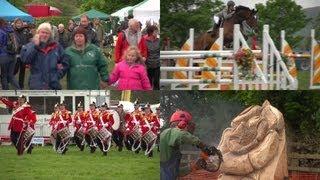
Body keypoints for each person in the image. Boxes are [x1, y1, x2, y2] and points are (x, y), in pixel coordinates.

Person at [160, 110, 222, 179]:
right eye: (188, 127)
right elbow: (182, 135)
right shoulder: (168, 133)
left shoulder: (171, 145)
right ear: (182, 124)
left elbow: (175, 172)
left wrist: (195, 166)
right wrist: (202, 145)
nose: (189, 131)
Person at [20, 22, 69, 90]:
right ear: (38, 33)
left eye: (47, 33)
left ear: (50, 35)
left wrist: (57, 75)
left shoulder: (56, 46)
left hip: (53, 85)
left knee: (54, 101)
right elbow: (25, 59)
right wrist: (35, 46)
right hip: (36, 85)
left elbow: (64, 62)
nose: (44, 35)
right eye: (42, 32)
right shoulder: (30, 45)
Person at [0, 18, 20, 90]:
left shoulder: (1, 31)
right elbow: (18, 41)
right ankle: (19, 92)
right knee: (11, 76)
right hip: (13, 55)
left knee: (4, 76)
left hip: (3, 56)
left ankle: (6, 95)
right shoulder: (11, 30)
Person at [13, 18, 33, 89]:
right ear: (15, 24)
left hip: (24, 53)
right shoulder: (13, 31)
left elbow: (30, 40)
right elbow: (14, 42)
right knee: (15, 70)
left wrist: (29, 45)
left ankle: (21, 85)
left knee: (22, 70)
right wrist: (21, 46)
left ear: (22, 24)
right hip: (16, 54)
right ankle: (10, 80)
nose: (18, 24)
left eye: (20, 23)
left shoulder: (26, 31)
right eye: (17, 23)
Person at [145, 25, 160, 90]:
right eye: (156, 31)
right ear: (151, 32)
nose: (157, 33)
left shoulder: (159, 40)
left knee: (156, 81)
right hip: (148, 65)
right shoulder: (144, 41)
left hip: (157, 64)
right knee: (149, 82)